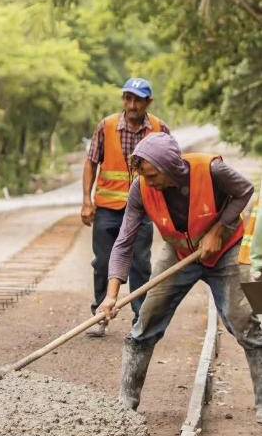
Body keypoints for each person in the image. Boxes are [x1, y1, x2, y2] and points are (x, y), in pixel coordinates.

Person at [100, 133, 262, 421]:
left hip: (226, 249)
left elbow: (246, 190)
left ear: (170, 166)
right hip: (179, 252)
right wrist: (111, 296)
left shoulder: (212, 170)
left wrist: (218, 230)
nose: (149, 182)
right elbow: (124, 241)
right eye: (144, 176)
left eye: (152, 175)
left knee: (247, 323)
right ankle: (124, 407)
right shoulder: (141, 188)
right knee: (144, 324)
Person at [81, 78, 167, 337]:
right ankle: (100, 315)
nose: (132, 105)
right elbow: (91, 162)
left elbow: (171, 166)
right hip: (107, 207)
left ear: (148, 102)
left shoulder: (159, 128)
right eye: (128, 98)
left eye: (138, 99)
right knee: (104, 262)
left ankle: (140, 319)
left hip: (143, 208)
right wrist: (87, 200)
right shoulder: (106, 126)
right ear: (123, 100)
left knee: (140, 263)